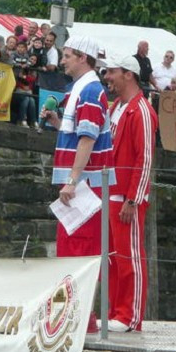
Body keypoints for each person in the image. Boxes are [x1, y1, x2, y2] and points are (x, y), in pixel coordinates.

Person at [40, 36, 115, 332]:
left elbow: (88, 138)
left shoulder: (90, 91)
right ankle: (79, 313)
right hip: (86, 181)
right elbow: (80, 133)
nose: (63, 60)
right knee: (74, 246)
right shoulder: (83, 91)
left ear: (83, 57)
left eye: (68, 55)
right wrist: (59, 123)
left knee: (80, 248)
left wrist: (72, 180)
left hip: (87, 184)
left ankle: (82, 315)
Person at [102, 54, 157, 332]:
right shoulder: (117, 107)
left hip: (127, 196)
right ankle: (115, 311)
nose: (107, 77)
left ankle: (130, 316)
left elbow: (145, 158)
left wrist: (133, 198)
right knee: (113, 257)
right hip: (112, 192)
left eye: (111, 72)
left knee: (130, 257)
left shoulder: (142, 110)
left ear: (128, 74)